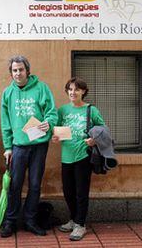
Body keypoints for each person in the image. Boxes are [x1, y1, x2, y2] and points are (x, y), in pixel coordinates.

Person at [0, 55, 58, 237]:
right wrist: (8, 147)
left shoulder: (41, 88)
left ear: (27, 70)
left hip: (39, 144)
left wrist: (48, 122)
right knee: (14, 185)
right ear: (11, 73)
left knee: (34, 184)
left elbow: (52, 112)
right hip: (18, 146)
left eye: (21, 69)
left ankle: (30, 221)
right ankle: (10, 221)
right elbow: (6, 123)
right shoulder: (7, 93)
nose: (18, 73)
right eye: (14, 70)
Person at [52, 77, 105, 241]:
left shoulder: (91, 110)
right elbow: (57, 129)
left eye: (76, 89)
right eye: (70, 89)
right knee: (68, 192)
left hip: (83, 156)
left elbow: (102, 128)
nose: (73, 92)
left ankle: (80, 225)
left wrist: (94, 139)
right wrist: (55, 137)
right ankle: (74, 219)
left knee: (81, 192)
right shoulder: (62, 110)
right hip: (66, 156)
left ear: (83, 91)